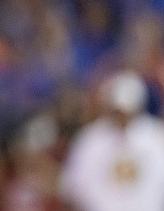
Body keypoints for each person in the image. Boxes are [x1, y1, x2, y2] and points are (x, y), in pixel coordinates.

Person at [58, 69, 164, 211]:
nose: (123, 117)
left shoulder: (155, 137)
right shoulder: (91, 139)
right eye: (119, 111)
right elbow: (72, 187)